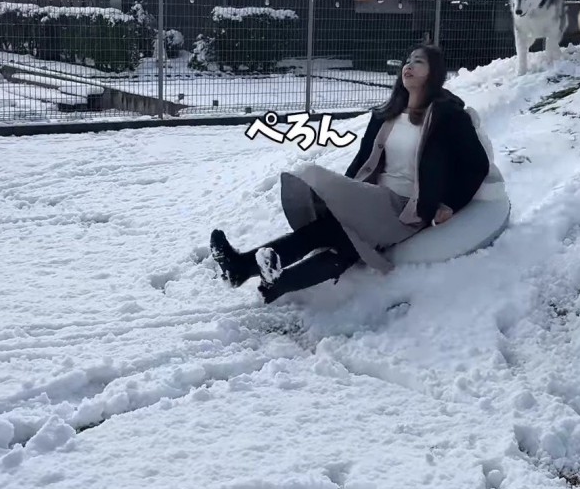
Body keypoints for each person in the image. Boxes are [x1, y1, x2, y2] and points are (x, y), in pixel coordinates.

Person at [210, 43, 491, 304]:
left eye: (418, 61)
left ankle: (252, 271)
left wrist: (449, 204)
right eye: (407, 60)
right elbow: (363, 161)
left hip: (406, 208)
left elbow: (476, 165)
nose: (409, 65)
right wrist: (341, 194)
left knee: (317, 189)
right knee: (334, 235)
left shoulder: (449, 117)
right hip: (373, 197)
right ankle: (261, 276)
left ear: (434, 73)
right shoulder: (386, 115)